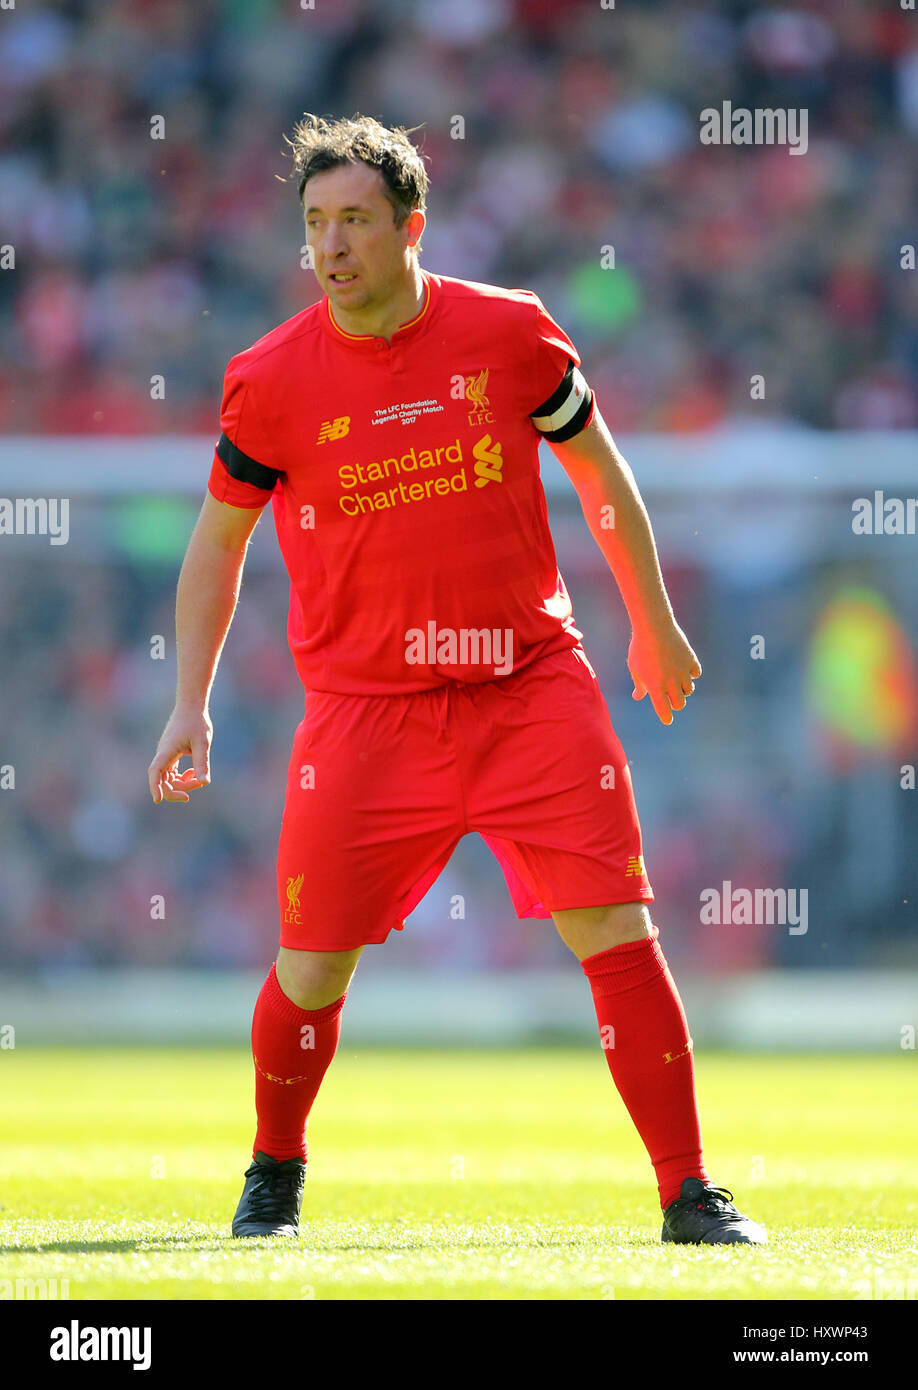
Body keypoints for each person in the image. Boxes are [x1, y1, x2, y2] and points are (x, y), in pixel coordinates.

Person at [148, 113, 766, 1247]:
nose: (332, 246)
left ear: (411, 228)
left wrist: (653, 622)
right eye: (315, 225)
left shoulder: (511, 334)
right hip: (366, 717)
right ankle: (274, 1168)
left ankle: (691, 1192)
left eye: (355, 222)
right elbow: (215, 549)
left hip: (530, 687)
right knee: (310, 969)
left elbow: (601, 474)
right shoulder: (271, 381)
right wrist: (188, 701)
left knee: (620, 934)